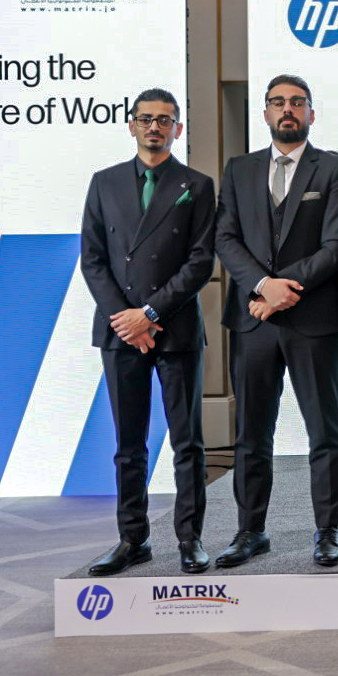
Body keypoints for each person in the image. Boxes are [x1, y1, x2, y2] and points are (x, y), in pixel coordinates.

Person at [214, 74, 338, 568]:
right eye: (278, 103)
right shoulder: (240, 169)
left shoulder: (334, 169)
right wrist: (262, 285)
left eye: (297, 102)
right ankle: (250, 531)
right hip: (252, 322)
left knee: (326, 431)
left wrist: (282, 290)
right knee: (251, 434)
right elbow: (225, 238)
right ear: (265, 113)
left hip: (312, 320)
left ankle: (328, 530)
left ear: (312, 113)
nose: (287, 110)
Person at [79, 88, 216, 576]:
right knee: (129, 444)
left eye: (164, 119)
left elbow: (201, 261)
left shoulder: (197, 185)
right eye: (145, 119)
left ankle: (190, 539)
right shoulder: (104, 182)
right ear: (131, 124)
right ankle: (132, 539)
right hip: (120, 332)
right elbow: (93, 259)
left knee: (187, 442)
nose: (154, 127)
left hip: (174, 329)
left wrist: (151, 314)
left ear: (177, 128)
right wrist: (126, 318)